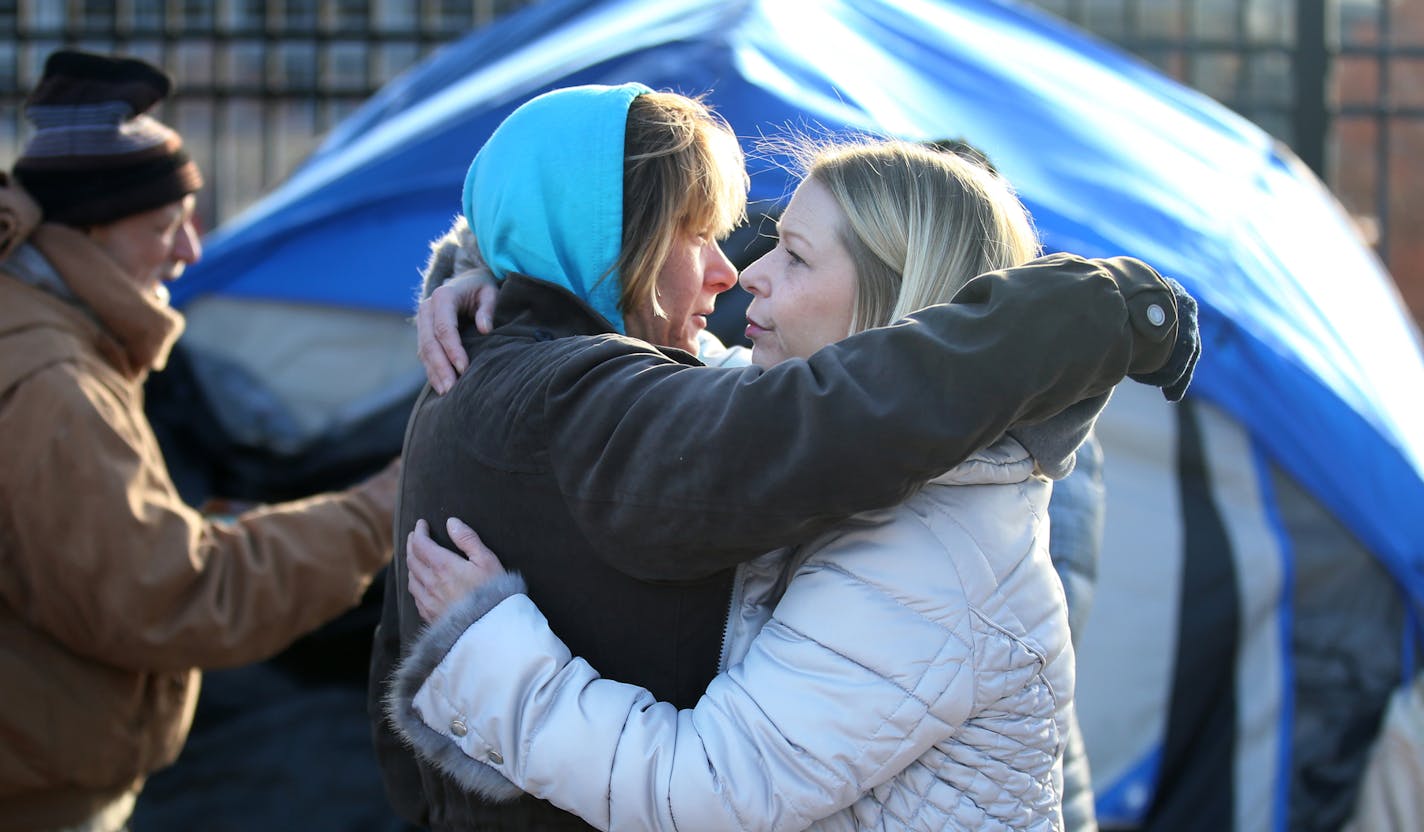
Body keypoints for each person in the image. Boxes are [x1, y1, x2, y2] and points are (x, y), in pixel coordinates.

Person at [368, 84, 1196, 830]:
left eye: (793, 256)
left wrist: (484, 652)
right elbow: (744, 414)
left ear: (898, 304)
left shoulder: (927, 551)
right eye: (707, 237)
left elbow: (710, 792)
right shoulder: (783, 427)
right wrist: (498, 272)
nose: (744, 275)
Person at [0, 50, 399, 832]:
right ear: (84, 235)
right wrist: (377, 509)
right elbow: (170, 595)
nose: (188, 252)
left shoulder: (43, 339)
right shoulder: (54, 383)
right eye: (164, 225)